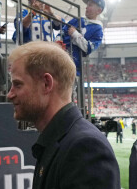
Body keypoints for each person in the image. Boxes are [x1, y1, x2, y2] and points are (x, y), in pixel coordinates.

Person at [7, 41, 120, 189]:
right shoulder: (61, 139)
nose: (10, 94)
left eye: (18, 84)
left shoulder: (85, 147)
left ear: (46, 84)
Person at [46, 0, 105, 75]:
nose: (86, 7)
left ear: (99, 11)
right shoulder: (77, 20)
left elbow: (89, 48)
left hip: (74, 68)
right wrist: (57, 42)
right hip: (59, 60)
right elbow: (62, 32)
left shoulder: (98, 30)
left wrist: (75, 34)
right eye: (87, 5)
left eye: (90, 5)